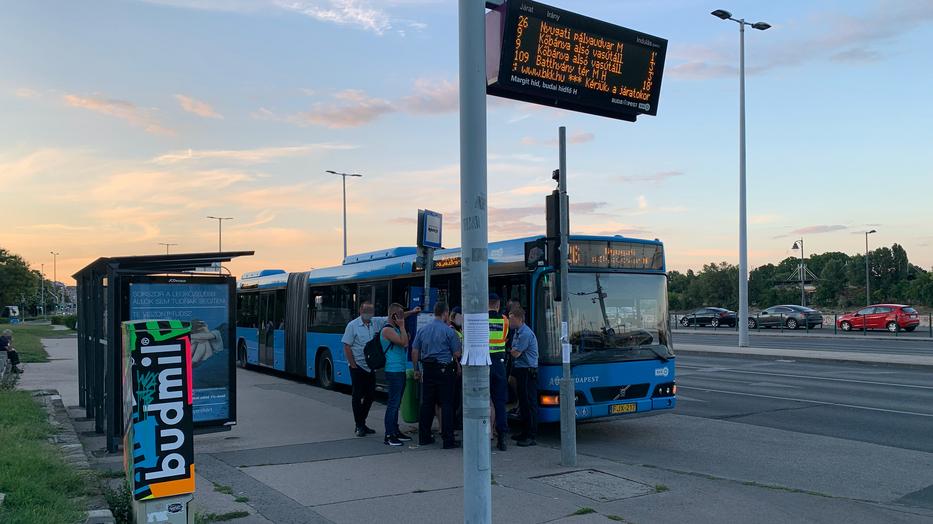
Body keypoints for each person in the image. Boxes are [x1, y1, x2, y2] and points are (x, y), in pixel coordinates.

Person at [342, 301, 419, 437]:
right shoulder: (352, 325)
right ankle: (359, 425)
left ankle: (363, 422)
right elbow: (347, 346)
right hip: (357, 366)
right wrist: (353, 365)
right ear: (360, 310)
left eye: (371, 311)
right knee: (357, 396)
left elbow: (395, 316)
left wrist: (412, 312)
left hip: (370, 367)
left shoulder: (375, 322)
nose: (368, 314)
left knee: (370, 396)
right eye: (366, 311)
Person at [412, 302, 462, 449]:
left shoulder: (423, 330)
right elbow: (457, 353)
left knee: (427, 404)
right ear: (445, 313)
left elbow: (415, 351)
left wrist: (416, 369)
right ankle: (448, 440)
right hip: (444, 370)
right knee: (447, 404)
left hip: (427, 369)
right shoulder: (449, 331)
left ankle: (424, 437)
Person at [380, 303, 413, 446]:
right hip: (393, 371)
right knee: (393, 404)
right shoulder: (388, 330)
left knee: (397, 402)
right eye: (399, 315)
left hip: (400, 369)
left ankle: (395, 430)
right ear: (393, 316)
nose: (401, 317)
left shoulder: (395, 328)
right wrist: (402, 327)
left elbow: (406, 341)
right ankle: (389, 435)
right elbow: (404, 342)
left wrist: (411, 313)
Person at [509, 306, 539, 447]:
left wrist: (510, 349)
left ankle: (531, 435)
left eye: (511, 319)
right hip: (521, 370)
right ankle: (524, 432)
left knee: (528, 403)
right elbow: (514, 350)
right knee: (523, 403)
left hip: (527, 371)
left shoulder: (525, 334)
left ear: (519, 319)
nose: (509, 321)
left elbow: (516, 353)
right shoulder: (517, 332)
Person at [488, 293, 510, 451]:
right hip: (499, 364)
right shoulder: (505, 320)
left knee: (482, 401)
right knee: (500, 402)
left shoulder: (481, 319)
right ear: (497, 304)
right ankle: (502, 437)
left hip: (484, 364)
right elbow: (506, 338)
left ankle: (483, 434)